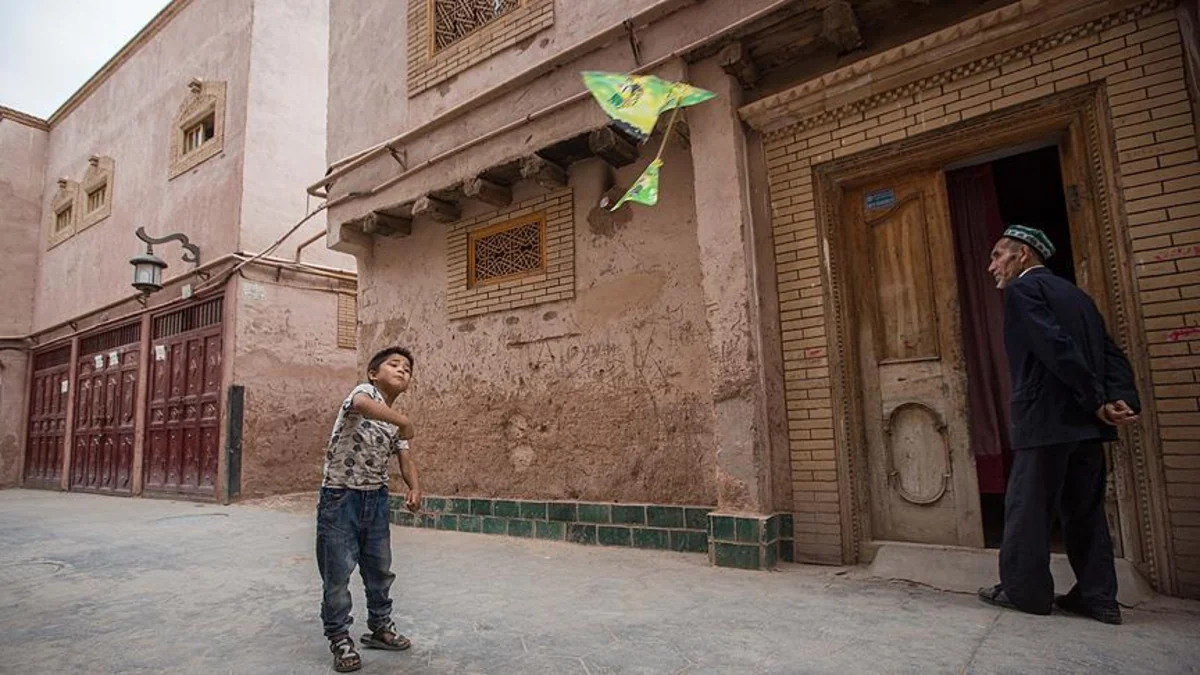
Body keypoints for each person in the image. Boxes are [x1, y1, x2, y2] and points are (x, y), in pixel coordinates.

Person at [977, 225, 1140, 625]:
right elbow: (1110, 352)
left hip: (1047, 421)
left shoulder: (1023, 291)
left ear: (1023, 256)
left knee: (1028, 509)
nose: (991, 266)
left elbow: (1054, 346)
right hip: (1085, 425)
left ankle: (1026, 593)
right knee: (1085, 511)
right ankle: (1098, 598)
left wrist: (1096, 399)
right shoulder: (1078, 297)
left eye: (998, 255)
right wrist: (1121, 398)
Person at [317, 346, 423, 672]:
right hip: (340, 498)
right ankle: (339, 637)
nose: (402, 370)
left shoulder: (392, 423)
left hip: (375, 500)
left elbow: (405, 459)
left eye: (407, 368)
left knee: (379, 570)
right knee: (337, 574)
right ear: (374, 373)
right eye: (394, 365)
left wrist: (415, 487)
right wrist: (404, 420)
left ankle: (380, 626)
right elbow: (362, 406)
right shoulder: (365, 392)